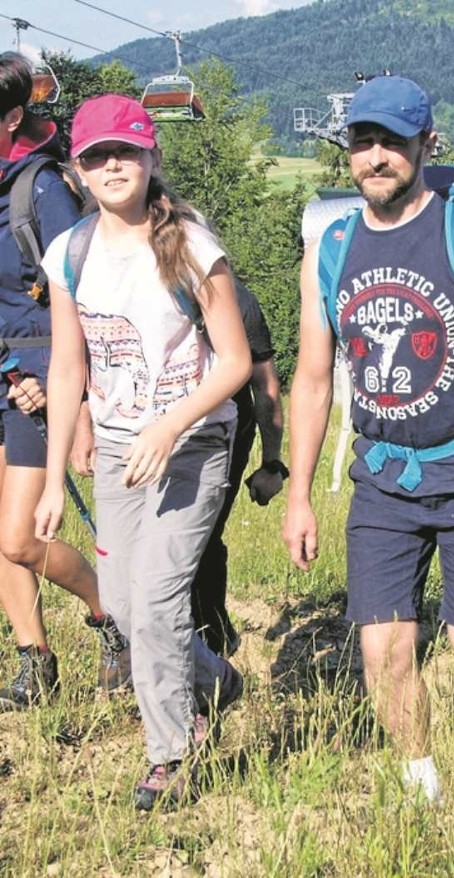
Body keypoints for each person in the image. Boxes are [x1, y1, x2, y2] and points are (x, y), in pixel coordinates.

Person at [282, 75, 454, 803]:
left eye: (393, 143)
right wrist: (301, 495)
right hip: (382, 478)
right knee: (384, 652)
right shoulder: (330, 250)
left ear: (425, 146)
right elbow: (312, 381)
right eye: (362, 141)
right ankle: (423, 789)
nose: (375, 157)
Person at [34, 94, 251, 810]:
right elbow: (68, 368)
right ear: (79, 170)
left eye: (126, 151)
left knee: (157, 606)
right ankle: (213, 680)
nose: (113, 165)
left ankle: (172, 755)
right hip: (123, 452)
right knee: (124, 610)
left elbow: (236, 362)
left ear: (152, 157)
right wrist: (56, 477)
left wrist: (170, 426)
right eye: (97, 155)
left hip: (193, 445)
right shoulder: (71, 252)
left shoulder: (189, 244)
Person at [0, 52, 129, 710]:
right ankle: (35, 662)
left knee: (19, 537)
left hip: (39, 368)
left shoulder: (41, 187)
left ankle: (112, 618)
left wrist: (67, 390)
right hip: (1, 367)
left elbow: (82, 289)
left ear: (14, 117)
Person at [70, 278, 287, 657]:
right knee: (134, 547)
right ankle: (158, 644)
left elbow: (265, 386)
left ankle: (209, 640)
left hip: (217, 434)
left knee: (196, 540)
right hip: (135, 431)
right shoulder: (118, 287)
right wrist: (82, 423)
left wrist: (272, 464)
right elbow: (91, 355)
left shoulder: (236, 300)